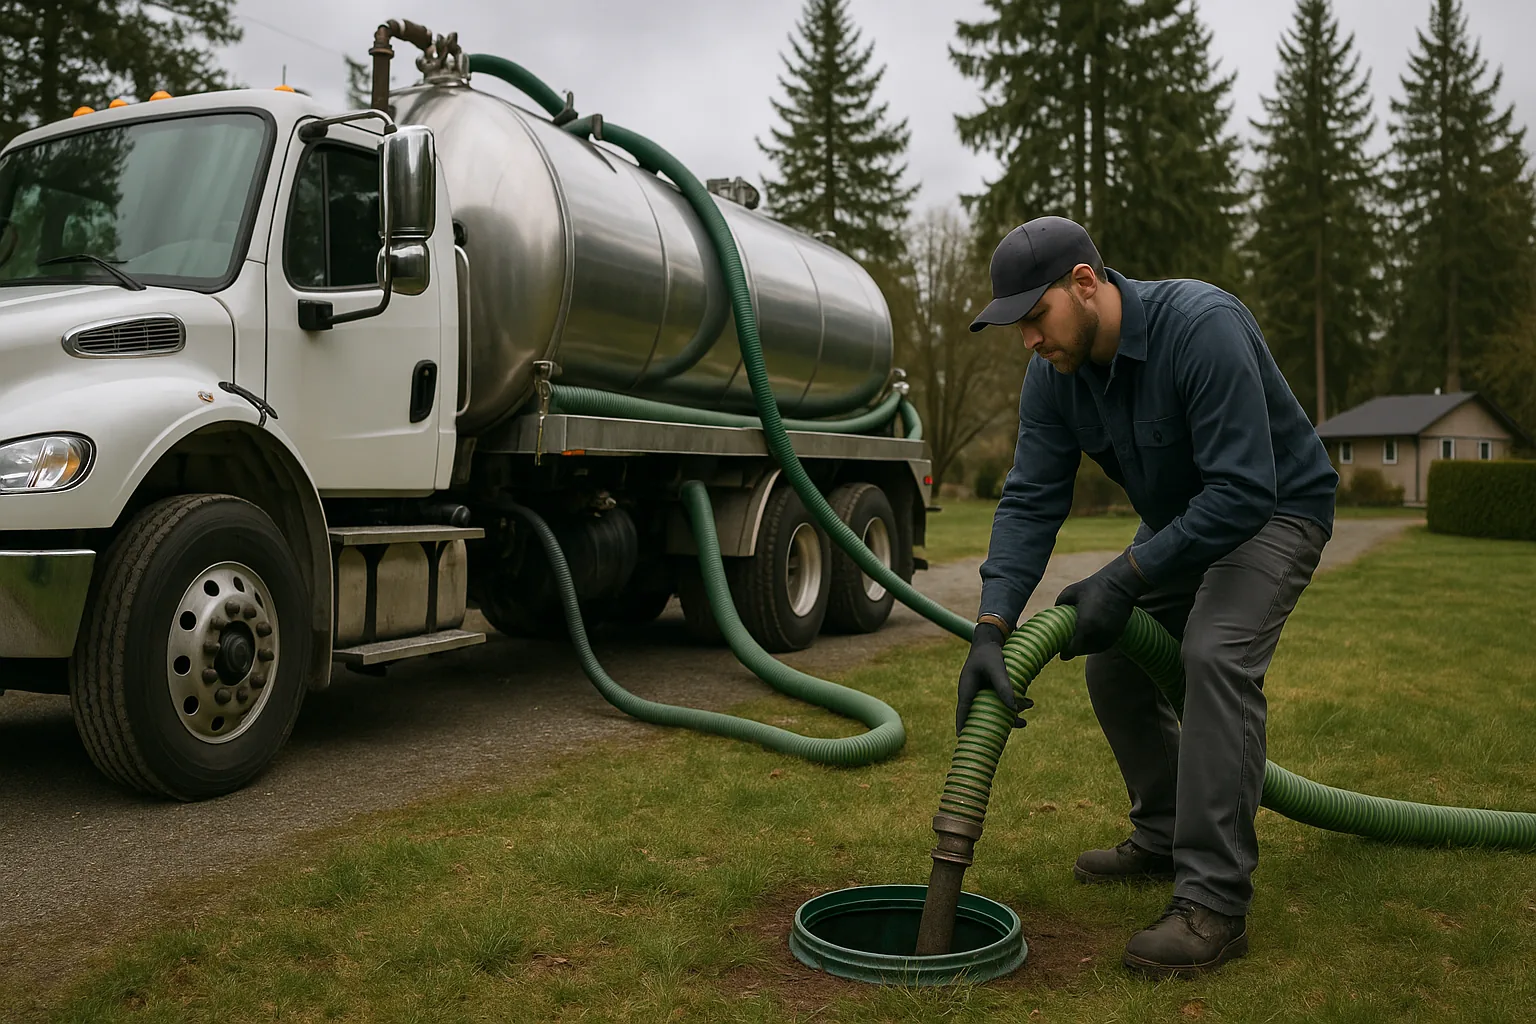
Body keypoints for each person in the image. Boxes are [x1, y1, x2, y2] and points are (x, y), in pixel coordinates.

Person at [955, 216, 1337, 978]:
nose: (1030, 340)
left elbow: (1240, 493)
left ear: (1086, 284)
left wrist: (1123, 577)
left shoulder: (1203, 328)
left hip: (1272, 511)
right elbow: (1030, 500)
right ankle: (1164, 834)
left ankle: (1215, 905)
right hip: (1185, 523)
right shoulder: (1056, 379)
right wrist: (992, 627)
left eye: (1037, 317)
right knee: (1116, 661)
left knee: (1212, 654)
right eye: (1018, 326)